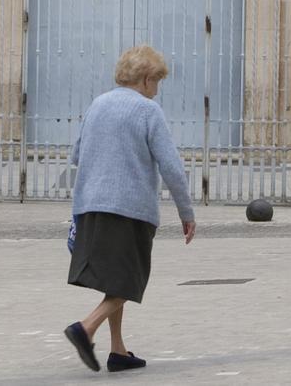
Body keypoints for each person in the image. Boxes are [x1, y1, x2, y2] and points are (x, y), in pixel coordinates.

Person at [62, 45, 196, 373]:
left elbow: (77, 154)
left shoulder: (98, 104)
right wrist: (186, 212)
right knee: (129, 281)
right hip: (129, 210)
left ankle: (118, 351)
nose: (157, 89)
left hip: (90, 206)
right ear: (148, 80)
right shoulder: (148, 111)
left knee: (114, 277)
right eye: (158, 82)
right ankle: (86, 327)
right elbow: (172, 167)